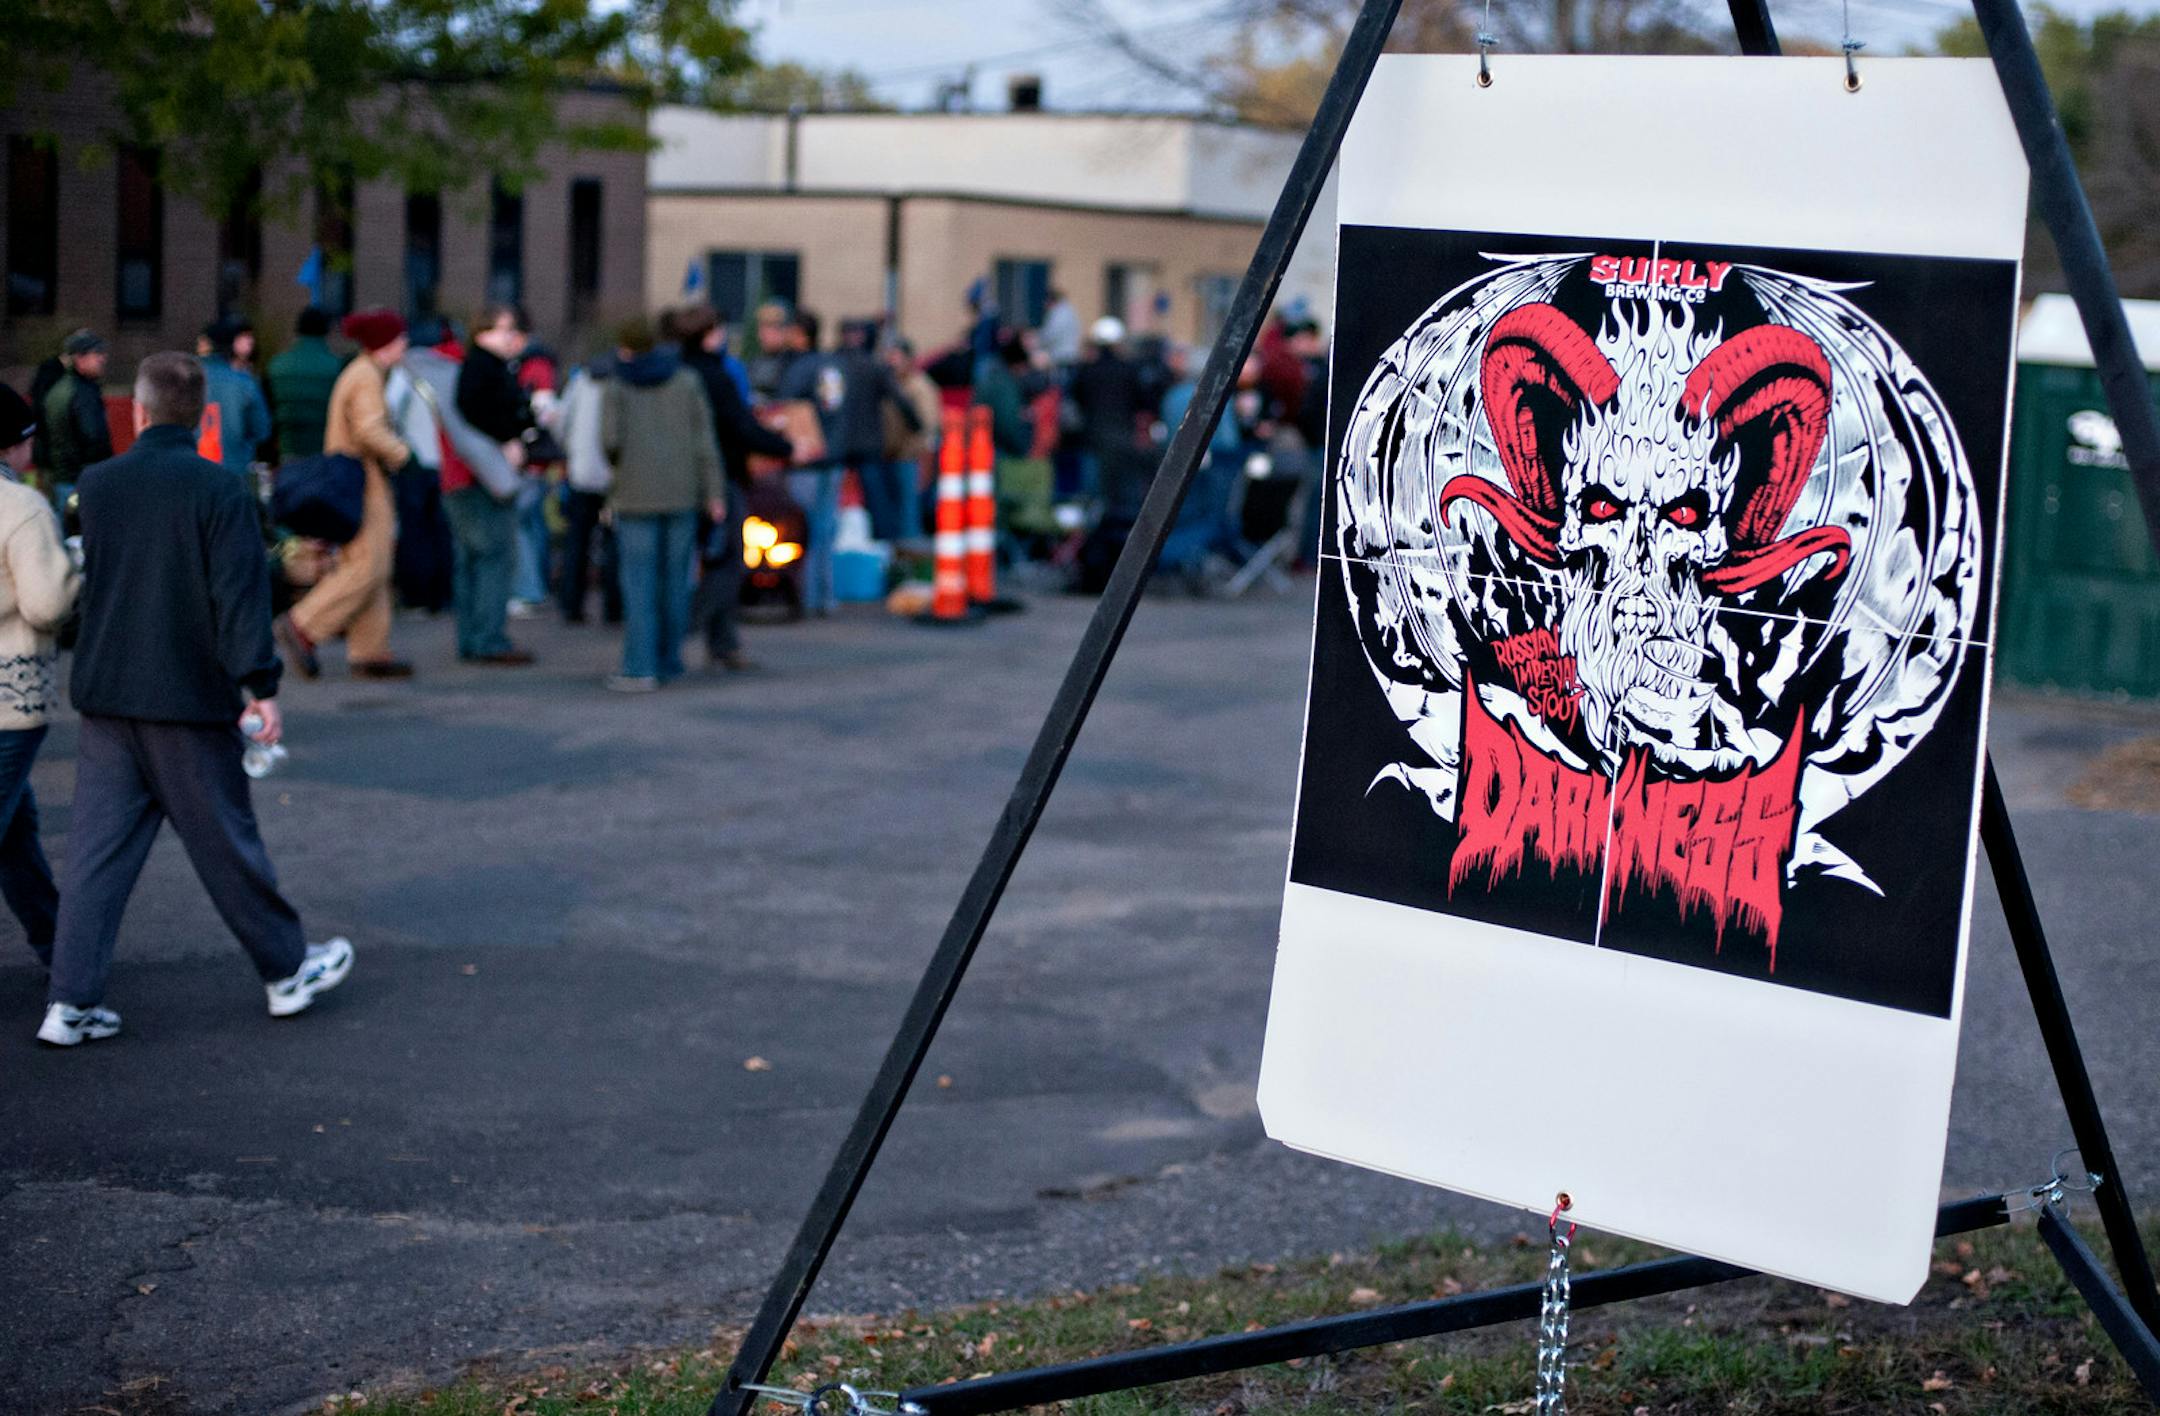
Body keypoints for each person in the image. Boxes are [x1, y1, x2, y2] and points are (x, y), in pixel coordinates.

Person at [38, 352, 352, 1047]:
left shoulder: (98, 485)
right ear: (204, 415)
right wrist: (261, 687)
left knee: (94, 857)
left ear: (139, 411)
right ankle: (285, 969)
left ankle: (71, 1001)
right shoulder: (222, 492)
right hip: (186, 694)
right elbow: (239, 599)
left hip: (106, 693)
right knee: (225, 843)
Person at [275, 309, 414, 681]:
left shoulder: (363, 371)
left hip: (359, 478)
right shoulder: (366, 376)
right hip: (362, 481)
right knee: (367, 566)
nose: (405, 344)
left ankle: (371, 651)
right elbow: (369, 429)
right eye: (400, 338)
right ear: (384, 344)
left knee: (376, 564)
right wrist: (403, 454)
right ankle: (303, 624)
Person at [0, 383, 79, 975]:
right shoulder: (22, 507)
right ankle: (66, 958)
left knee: (16, 835)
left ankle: (61, 952)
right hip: (10, 699)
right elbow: (47, 604)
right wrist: (75, 562)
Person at [601, 317, 725, 692]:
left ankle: (640, 667)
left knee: (639, 584)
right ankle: (670, 660)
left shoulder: (617, 385)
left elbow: (610, 442)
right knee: (675, 581)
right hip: (682, 494)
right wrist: (714, 492)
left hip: (635, 496)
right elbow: (705, 441)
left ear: (625, 347)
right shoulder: (686, 381)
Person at [398, 321, 529, 663]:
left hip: (444, 474)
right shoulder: (459, 369)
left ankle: (471, 637)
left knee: (467, 559)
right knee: (492, 558)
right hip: (472, 475)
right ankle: (488, 638)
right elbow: (473, 427)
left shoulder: (413, 372)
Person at [674, 304, 794, 671]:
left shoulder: (678, 369)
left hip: (684, 478)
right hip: (719, 477)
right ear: (709, 333)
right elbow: (737, 426)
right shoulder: (713, 375)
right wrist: (784, 445)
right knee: (730, 559)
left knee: (708, 558)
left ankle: (723, 643)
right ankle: (688, 626)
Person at [553, 350, 621, 625]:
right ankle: (614, 606)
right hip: (613, 476)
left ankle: (572, 604)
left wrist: (570, 452)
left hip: (581, 474)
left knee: (577, 542)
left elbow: (561, 421)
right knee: (614, 543)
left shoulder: (580, 381)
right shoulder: (621, 382)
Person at [39, 330, 114, 493]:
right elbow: (94, 438)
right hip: (83, 481)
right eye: (97, 353)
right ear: (80, 358)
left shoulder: (57, 389)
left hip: (62, 479)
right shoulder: (84, 394)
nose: (103, 358)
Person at [196, 316, 272, 476]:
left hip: (193, 472)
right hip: (234, 471)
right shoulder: (245, 383)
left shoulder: (185, 377)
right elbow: (262, 430)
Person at [267, 307, 345, 460]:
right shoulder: (336, 365)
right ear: (326, 330)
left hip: (288, 445)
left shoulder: (278, 365)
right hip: (325, 446)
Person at [1040, 287, 1083, 370]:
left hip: (1062, 357)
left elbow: (1051, 334)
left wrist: (1038, 340)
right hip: (1069, 355)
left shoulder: (1059, 314)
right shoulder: (1068, 311)